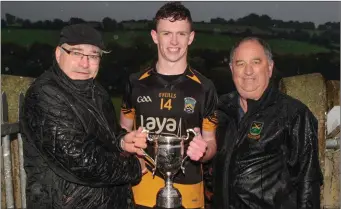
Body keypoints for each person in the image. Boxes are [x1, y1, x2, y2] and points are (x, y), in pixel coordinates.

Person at [20, 23, 148, 209]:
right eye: (77, 53)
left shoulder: (97, 91)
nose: (85, 63)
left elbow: (102, 135)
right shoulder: (44, 95)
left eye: (93, 55)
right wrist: (134, 167)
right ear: (58, 53)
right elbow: (80, 160)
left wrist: (121, 141)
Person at [120, 2, 218, 209]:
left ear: (191, 37)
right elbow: (123, 132)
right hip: (141, 189)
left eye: (181, 34)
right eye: (167, 33)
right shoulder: (135, 82)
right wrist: (128, 151)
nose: (174, 41)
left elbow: (211, 144)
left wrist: (204, 150)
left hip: (189, 190)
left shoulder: (205, 88)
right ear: (155, 36)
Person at [212, 37, 323, 209]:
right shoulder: (220, 111)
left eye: (256, 62)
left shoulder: (293, 114)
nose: (248, 71)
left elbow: (308, 180)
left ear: (270, 68)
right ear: (231, 69)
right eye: (240, 63)